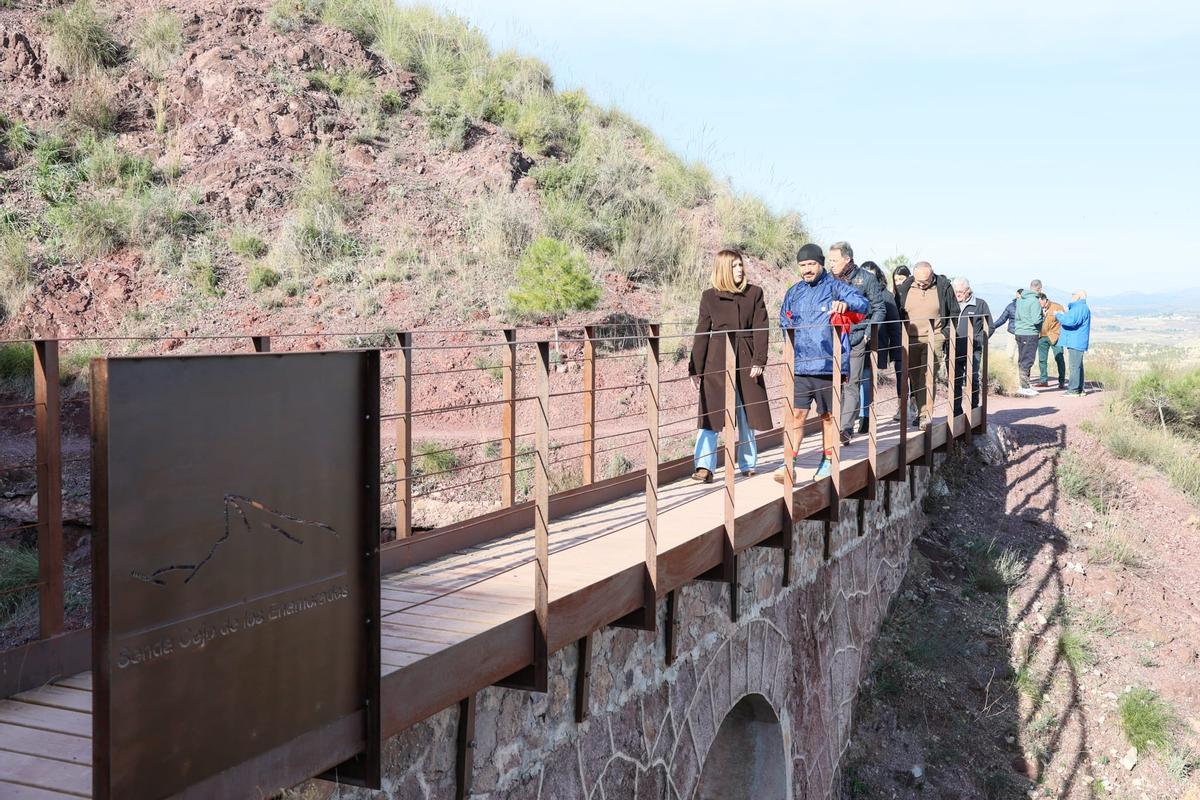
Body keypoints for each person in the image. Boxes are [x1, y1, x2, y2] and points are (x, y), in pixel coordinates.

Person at [773, 243, 868, 483]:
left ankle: (827, 461)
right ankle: (789, 463)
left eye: (811, 264)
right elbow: (784, 319)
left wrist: (846, 305)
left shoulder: (836, 287)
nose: (806, 269)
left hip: (828, 365)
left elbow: (863, 304)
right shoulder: (794, 292)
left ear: (821, 263)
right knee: (797, 415)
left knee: (827, 416)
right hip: (801, 365)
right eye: (802, 265)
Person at [688, 249, 773, 482]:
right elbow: (702, 333)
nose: (740, 269)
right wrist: (695, 368)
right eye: (734, 266)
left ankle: (748, 462)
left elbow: (761, 328)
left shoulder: (754, 293)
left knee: (746, 411)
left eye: (740, 265)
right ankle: (704, 467)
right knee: (710, 413)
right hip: (716, 360)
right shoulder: (709, 297)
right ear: (724, 269)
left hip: (745, 358)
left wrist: (759, 359)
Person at [827, 242, 886, 444]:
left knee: (851, 383)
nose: (831, 264)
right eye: (830, 260)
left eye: (835, 260)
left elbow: (879, 308)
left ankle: (845, 429)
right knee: (836, 384)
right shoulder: (827, 279)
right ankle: (835, 425)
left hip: (856, 337)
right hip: (832, 339)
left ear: (847, 259)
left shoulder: (866, 279)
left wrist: (868, 332)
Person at [895, 262, 960, 430]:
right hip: (911, 337)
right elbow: (897, 310)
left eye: (926, 280)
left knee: (928, 375)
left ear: (932, 275)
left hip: (935, 336)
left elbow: (954, 311)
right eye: (919, 280)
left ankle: (925, 416)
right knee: (914, 376)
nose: (922, 284)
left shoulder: (943, 286)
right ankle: (919, 411)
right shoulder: (906, 286)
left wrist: (944, 334)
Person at [861, 261, 901, 433]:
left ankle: (865, 417)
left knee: (866, 379)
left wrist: (897, 352)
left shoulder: (886, 296)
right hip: (854, 343)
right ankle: (856, 416)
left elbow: (895, 326)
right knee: (854, 381)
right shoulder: (852, 292)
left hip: (877, 345)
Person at [951, 277, 994, 417]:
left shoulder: (980, 305)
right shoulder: (951, 304)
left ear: (968, 290)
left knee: (973, 379)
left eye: (960, 292)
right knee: (955, 380)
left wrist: (977, 340)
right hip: (953, 348)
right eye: (955, 291)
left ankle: (973, 411)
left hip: (973, 350)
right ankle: (956, 412)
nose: (957, 294)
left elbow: (990, 327)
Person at [1055, 290, 1092, 396]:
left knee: (1074, 366)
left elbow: (1070, 321)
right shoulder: (1081, 308)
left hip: (1076, 340)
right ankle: (1080, 389)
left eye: (1073, 294)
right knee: (1078, 365)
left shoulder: (1079, 308)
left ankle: (1073, 390)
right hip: (1077, 340)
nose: (1072, 296)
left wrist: (1058, 315)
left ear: (1079, 296)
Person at [1013, 281, 1044, 397]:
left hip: (1019, 332)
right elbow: (1036, 320)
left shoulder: (1020, 299)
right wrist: (1042, 317)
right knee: (1028, 360)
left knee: (1022, 359)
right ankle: (1024, 387)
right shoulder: (1035, 301)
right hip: (1030, 333)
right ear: (1039, 289)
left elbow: (1018, 316)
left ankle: (1023, 385)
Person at [1035, 293, 1066, 389]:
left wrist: (1059, 334)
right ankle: (1043, 381)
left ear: (1044, 299)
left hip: (1055, 337)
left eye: (1039, 302)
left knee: (1059, 358)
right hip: (1041, 337)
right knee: (1042, 360)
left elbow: (1064, 321)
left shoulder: (1057, 307)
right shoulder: (1036, 308)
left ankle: (1061, 381)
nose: (1038, 304)